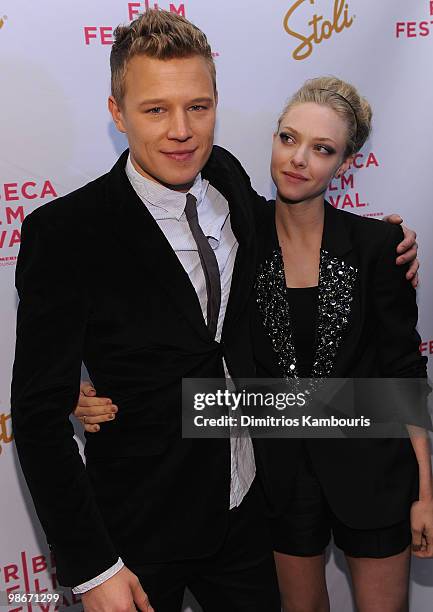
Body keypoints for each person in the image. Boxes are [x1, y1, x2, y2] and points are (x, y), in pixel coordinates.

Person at [11, 8, 418, 612]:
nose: (182, 130)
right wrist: (94, 569)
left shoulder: (224, 175)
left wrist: (377, 242)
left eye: (197, 107)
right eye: (155, 109)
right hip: (140, 527)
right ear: (117, 112)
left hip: (248, 506)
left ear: (216, 103)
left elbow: (289, 229)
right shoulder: (65, 233)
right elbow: (38, 419)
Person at [250, 76, 433, 612]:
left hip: (374, 470)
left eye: (322, 149)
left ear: (346, 164)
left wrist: (425, 491)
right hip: (280, 476)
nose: (298, 158)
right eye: (288, 138)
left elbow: (404, 372)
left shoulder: (378, 246)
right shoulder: (239, 238)